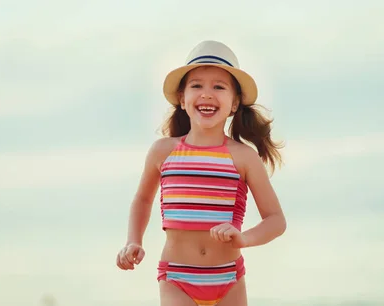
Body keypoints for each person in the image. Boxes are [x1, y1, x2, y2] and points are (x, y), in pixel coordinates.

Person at [116, 40, 287, 306]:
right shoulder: (163, 152)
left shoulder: (243, 157)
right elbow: (142, 200)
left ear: (234, 104)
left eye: (219, 86)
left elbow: (276, 220)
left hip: (228, 279)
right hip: (176, 279)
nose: (207, 93)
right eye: (197, 85)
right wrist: (132, 241)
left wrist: (244, 238)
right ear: (182, 99)